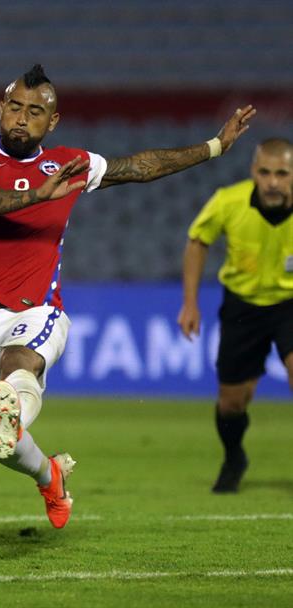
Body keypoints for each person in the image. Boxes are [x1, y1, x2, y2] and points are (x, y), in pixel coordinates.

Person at [0, 64, 254, 529]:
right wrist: (39, 196)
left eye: (35, 111)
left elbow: (139, 167)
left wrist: (213, 147)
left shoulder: (69, 164)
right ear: (0, 109)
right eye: (14, 108)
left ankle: (14, 404)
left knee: (17, 364)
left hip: (37, 309)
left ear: (53, 122)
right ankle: (50, 476)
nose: (22, 118)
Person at [177, 138, 292, 494]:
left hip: (290, 303)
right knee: (232, 402)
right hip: (242, 306)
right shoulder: (229, 201)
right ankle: (234, 457)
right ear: (253, 172)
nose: (273, 181)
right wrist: (190, 303)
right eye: (265, 172)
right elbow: (198, 241)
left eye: (282, 173)